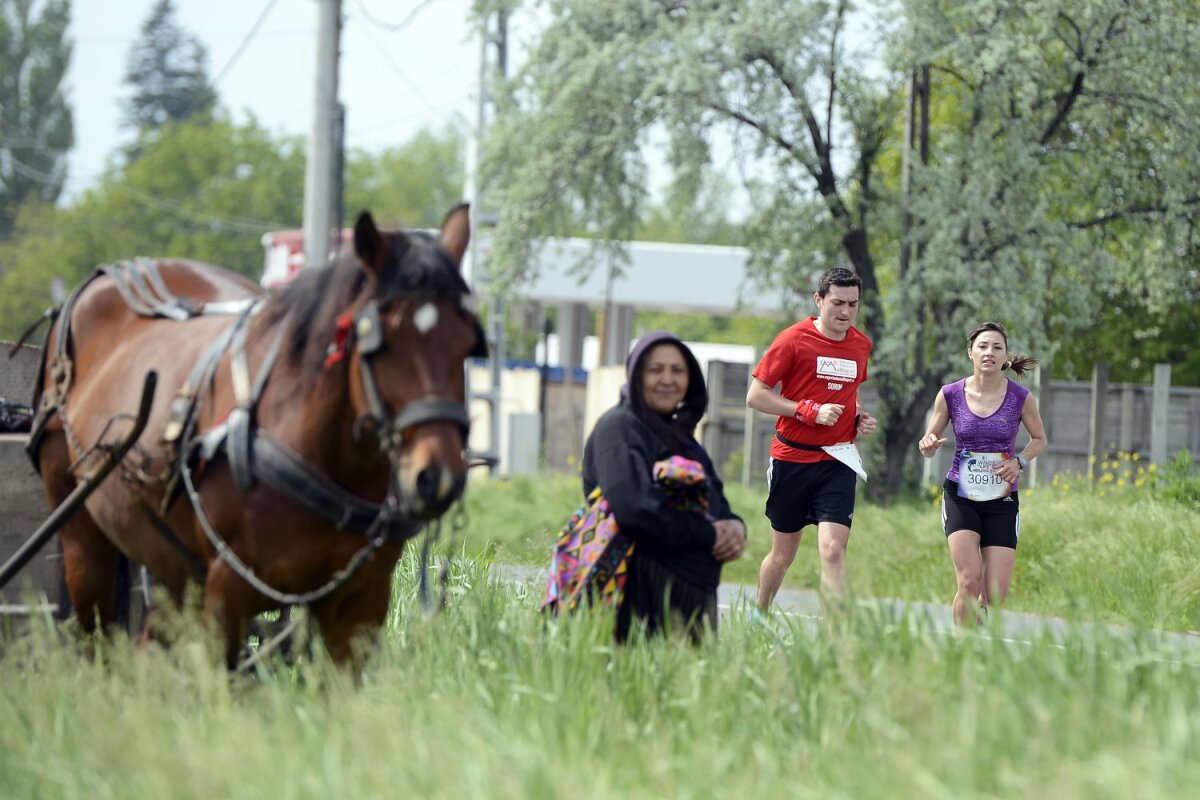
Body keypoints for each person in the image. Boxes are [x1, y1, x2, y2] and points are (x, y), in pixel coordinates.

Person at [581, 331, 746, 643]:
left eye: (677, 370)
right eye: (655, 370)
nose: (667, 380)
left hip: (690, 604)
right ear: (636, 376)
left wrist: (736, 528)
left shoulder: (682, 440)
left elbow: (716, 502)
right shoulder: (619, 429)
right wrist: (710, 534)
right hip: (634, 607)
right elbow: (634, 508)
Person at [747, 267, 876, 614]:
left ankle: (836, 640)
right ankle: (759, 614)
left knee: (834, 549)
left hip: (838, 460)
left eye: (853, 303)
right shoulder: (792, 340)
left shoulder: (861, 345)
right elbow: (756, 396)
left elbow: (853, 391)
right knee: (783, 555)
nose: (846, 312)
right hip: (792, 458)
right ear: (819, 300)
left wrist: (858, 415)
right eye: (837, 303)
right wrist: (807, 411)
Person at [918, 321, 1047, 625]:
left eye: (997, 347)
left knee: (995, 593)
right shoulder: (950, 394)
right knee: (968, 579)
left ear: (1005, 357)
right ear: (970, 353)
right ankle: (961, 653)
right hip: (960, 494)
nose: (989, 352)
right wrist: (928, 445)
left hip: (1001, 498)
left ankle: (977, 620)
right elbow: (928, 441)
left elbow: (1039, 439)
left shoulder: (1020, 397)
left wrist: (1019, 462)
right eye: (983, 346)